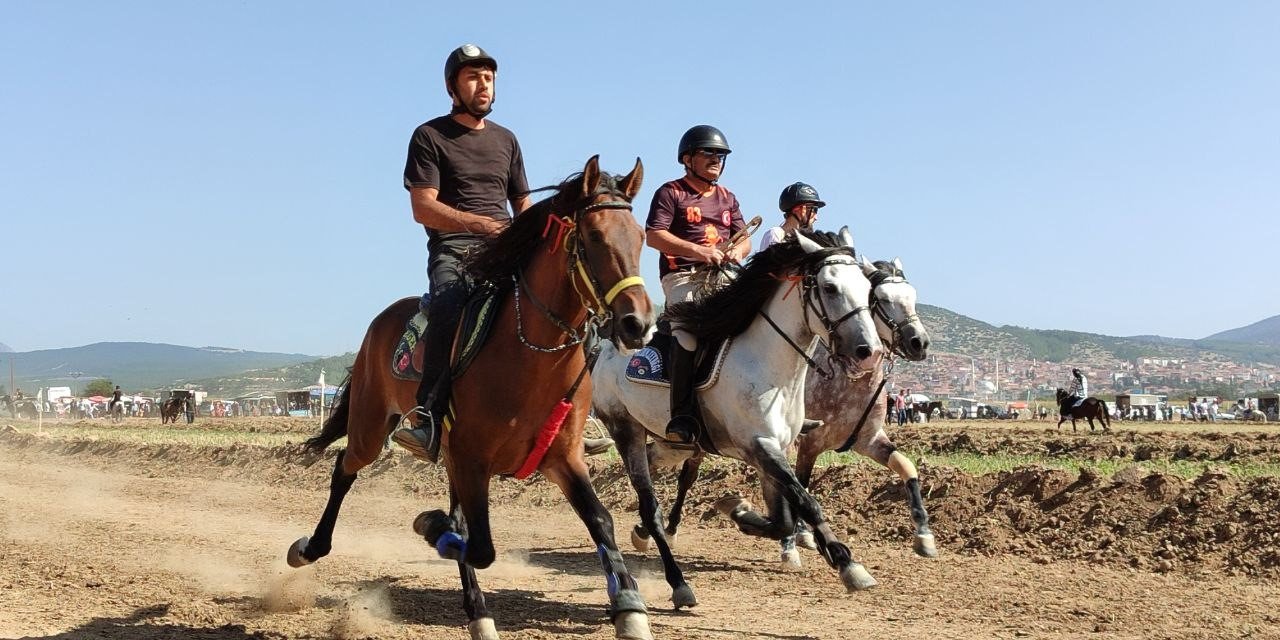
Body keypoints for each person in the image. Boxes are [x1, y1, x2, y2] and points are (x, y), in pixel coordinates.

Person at [645, 124, 751, 445]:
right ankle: (682, 415)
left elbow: (744, 238)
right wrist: (700, 251)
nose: (717, 159)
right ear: (688, 158)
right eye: (710, 153)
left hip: (722, 275)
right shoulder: (670, 192)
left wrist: (736, 250)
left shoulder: (727, 197)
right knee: (688, 330)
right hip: (683, 276)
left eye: (721, 155)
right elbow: (653, 236)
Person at [759, 182, 825, 251]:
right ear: (798, 209)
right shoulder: (775, 234)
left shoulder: (809, 241)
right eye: (814, 210)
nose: (816, 218)